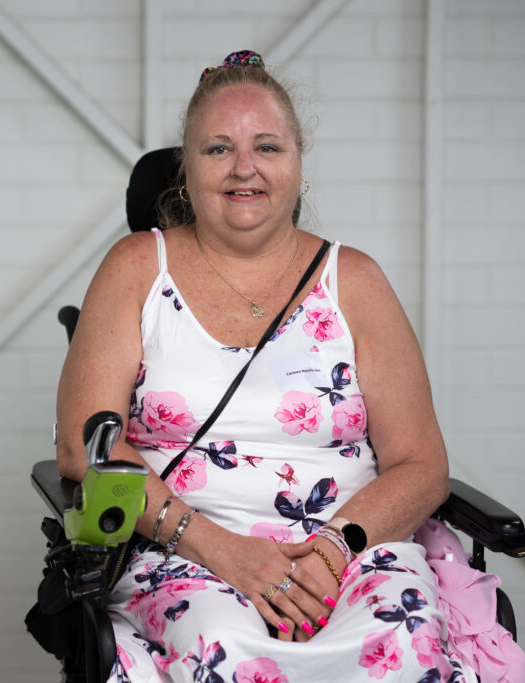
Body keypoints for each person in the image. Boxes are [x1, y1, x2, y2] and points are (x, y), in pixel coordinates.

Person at [55, 50, 465, 682]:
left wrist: (330, 552)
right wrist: (222, 550)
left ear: (298, 164)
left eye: (267, 147)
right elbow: (85, 449)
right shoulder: (135, 268)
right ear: (186, 171)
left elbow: (422, 464)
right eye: (218, 148)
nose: (244, 167)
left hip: (347, 550)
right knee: (227, 649)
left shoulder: (356, 281)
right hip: (185, 549)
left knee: (400, 647)